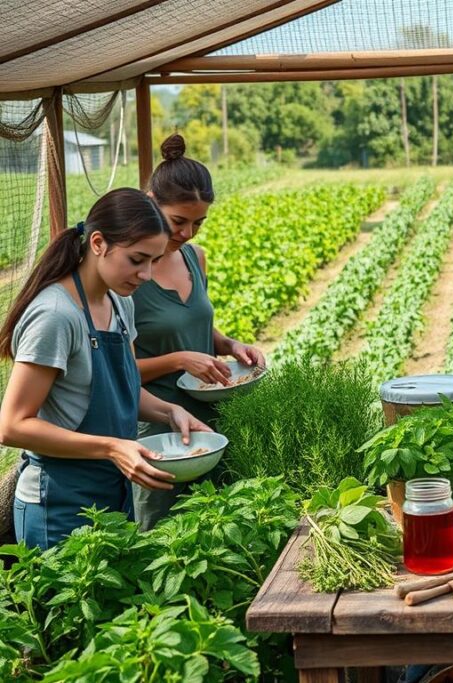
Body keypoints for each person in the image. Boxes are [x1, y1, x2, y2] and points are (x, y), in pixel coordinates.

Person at [0, 188, 210, 550]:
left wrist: (171, 411)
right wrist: (113, 447)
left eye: (153, 261)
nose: (145, 274)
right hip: (58, 504)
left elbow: (123, 389)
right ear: (98, 243)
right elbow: (13, 426)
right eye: (137, 259)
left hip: (111, 495)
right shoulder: (55, 315)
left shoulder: (119, 303)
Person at [131, 134, 264, 530]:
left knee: (217, 526)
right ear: (151, 201)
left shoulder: (194, 257)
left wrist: (230, 344)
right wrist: (179, 360)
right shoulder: (130, 271)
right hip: (159, 424)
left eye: (198, 223)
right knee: (164, 531)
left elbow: (196, 324)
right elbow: (115, 370)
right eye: (179, 222)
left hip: (210, 413)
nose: (188, 233)